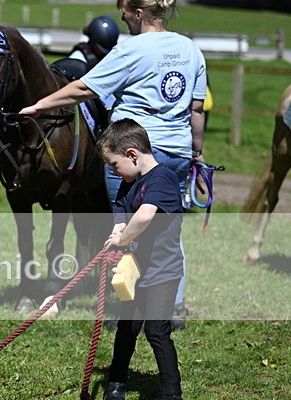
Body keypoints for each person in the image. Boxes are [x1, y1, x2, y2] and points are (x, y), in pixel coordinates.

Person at [18, 0, 207, 331]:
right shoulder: (191, 49)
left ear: (139, 13)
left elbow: (83, 88)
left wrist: (40, 104)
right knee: (169, 228)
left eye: (126, 14)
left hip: (133, 151)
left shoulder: (131, 50)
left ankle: (128, 308)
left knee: (124, 228)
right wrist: (197, 152)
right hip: (177, 150)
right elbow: (197, 109)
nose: (123, 19)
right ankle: (173, 305)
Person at [98, 118, 187, 400]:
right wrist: (116, 237)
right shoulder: (128, 184)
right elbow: (122, 217)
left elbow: (146, 215)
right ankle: (116, 381)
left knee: (157, 331)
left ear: (132, 154)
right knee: (127, 326)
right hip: (135, 270)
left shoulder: (163, 178)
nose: (113, 171)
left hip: (163, 272)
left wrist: (123, 238)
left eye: (114, 164)